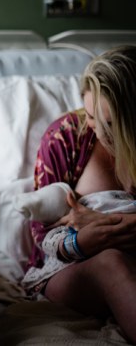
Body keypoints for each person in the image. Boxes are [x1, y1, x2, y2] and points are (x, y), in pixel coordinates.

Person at [20, 45, 136, 343]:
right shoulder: (66, 136)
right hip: (73, 268)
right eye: (91, 116)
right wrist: (82, 241)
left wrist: (114, 224)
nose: (98, 132)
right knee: (112, 264)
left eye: (111, 124)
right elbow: (41, 233)